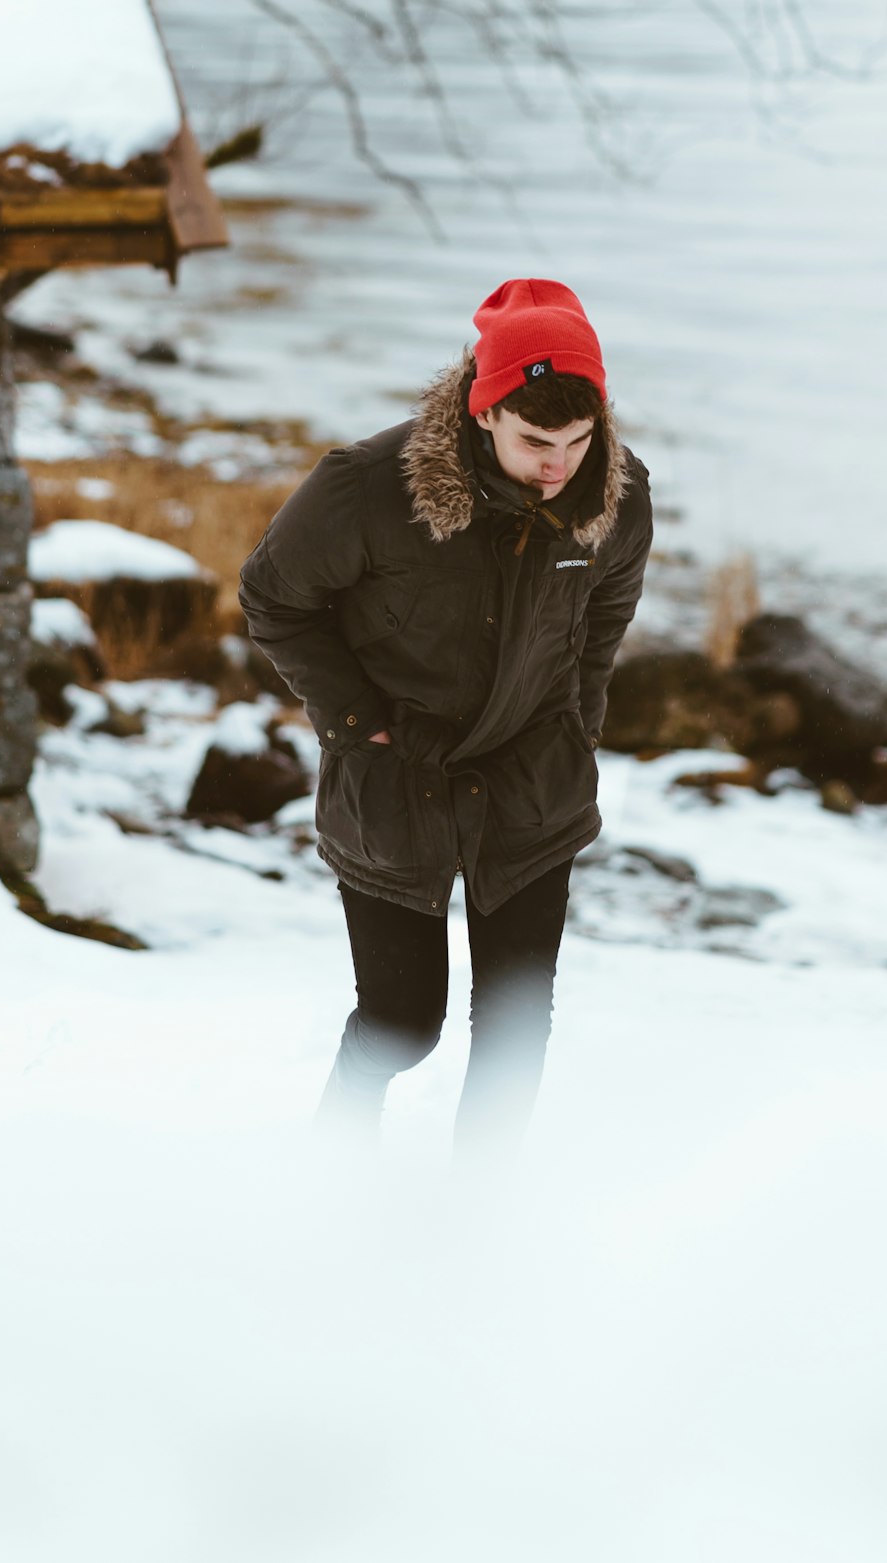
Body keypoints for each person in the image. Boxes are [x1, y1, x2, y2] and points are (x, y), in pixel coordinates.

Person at [238, 277, 652, 1151]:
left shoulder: (616, 494)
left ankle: (476, 1227)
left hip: (534, 777)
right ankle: (331, 1173)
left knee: (512, 1033)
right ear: (482, 407)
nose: (560, 465)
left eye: (581, 438)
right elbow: (273, 596)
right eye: (537, 439)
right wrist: (354, 725)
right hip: (396, 779)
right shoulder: (365, 490)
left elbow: (605, 612)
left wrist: (580, 722)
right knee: (400, 1021)